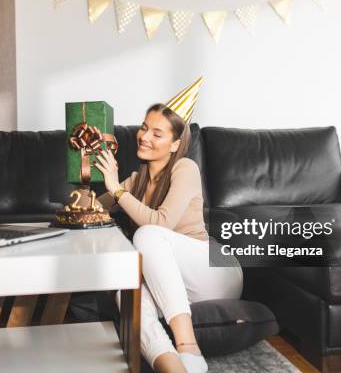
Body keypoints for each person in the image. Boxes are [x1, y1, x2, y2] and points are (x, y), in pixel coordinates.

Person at [95, 77, 243, 373]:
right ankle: (171, 365)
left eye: (157, 133)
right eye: (144, 127)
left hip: (213, 270)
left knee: (148, 235)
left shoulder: (185, 167)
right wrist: (90, 179)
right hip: (176, 283)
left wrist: (117, 189)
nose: (144, 136)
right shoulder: (137, 180)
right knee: (128, 289)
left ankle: (188, 346)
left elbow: (161, 223)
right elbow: (95, 208)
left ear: (176, 144)